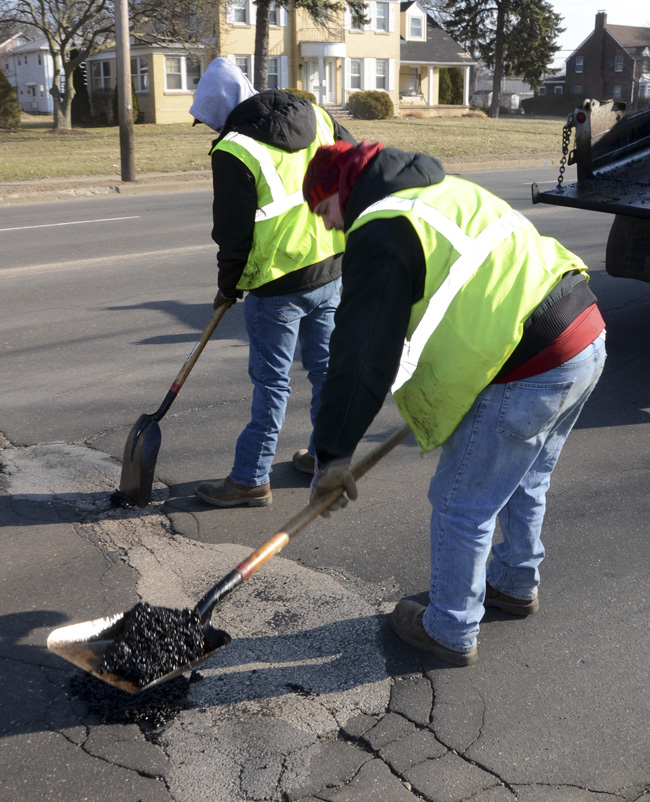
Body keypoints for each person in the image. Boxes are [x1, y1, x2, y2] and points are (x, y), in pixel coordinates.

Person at [302, 140, 606, 666]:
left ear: (341, 191)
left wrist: (332, 454)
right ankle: (513, 581)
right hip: (582, 335)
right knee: (524, 479)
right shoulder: (438, 190)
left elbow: (360, 356)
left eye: (323, 211)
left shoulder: (383, 227)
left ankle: (449, 628)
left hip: (529, 362)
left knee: (461, 502)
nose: (329, 226)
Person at [189, 58, 356, 508]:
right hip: (330, 269)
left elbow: (233, 231)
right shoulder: (319, 117)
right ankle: (325, 461)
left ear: (220, 110)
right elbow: (356, 168)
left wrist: (229, 286)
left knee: (272, 383)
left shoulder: (234, 149)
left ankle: (250, 477)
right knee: (325, 372)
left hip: (277, 285)